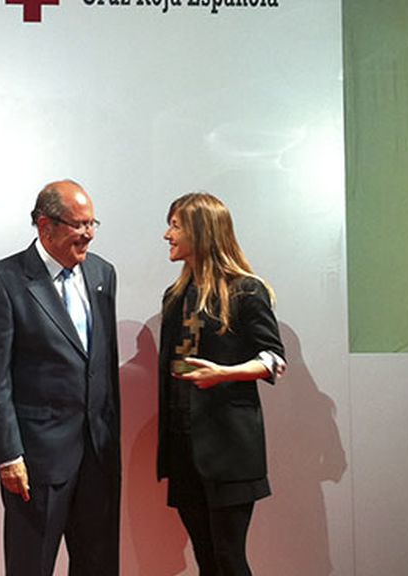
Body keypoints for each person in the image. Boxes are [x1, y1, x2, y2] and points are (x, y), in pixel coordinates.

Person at [0, 179, 120, 576]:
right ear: (45, 226)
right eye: (79, 224)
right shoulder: (2, 281)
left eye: (92, 223)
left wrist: (110, 440)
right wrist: (8, 455)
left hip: (98, 457)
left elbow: (103, 367)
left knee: (98, 566)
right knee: (31, 566)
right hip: (37, 463)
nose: (89, 234)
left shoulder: (103, 273)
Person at [157, 192, 286, 576]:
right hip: (183, 449)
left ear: (202, 231)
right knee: (207, 561)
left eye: (175, 226)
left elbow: (273, 359)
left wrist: (223, 373)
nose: (167, 235)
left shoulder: (246, 290)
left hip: (229, 451)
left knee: (229, 560)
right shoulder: (174, 296)